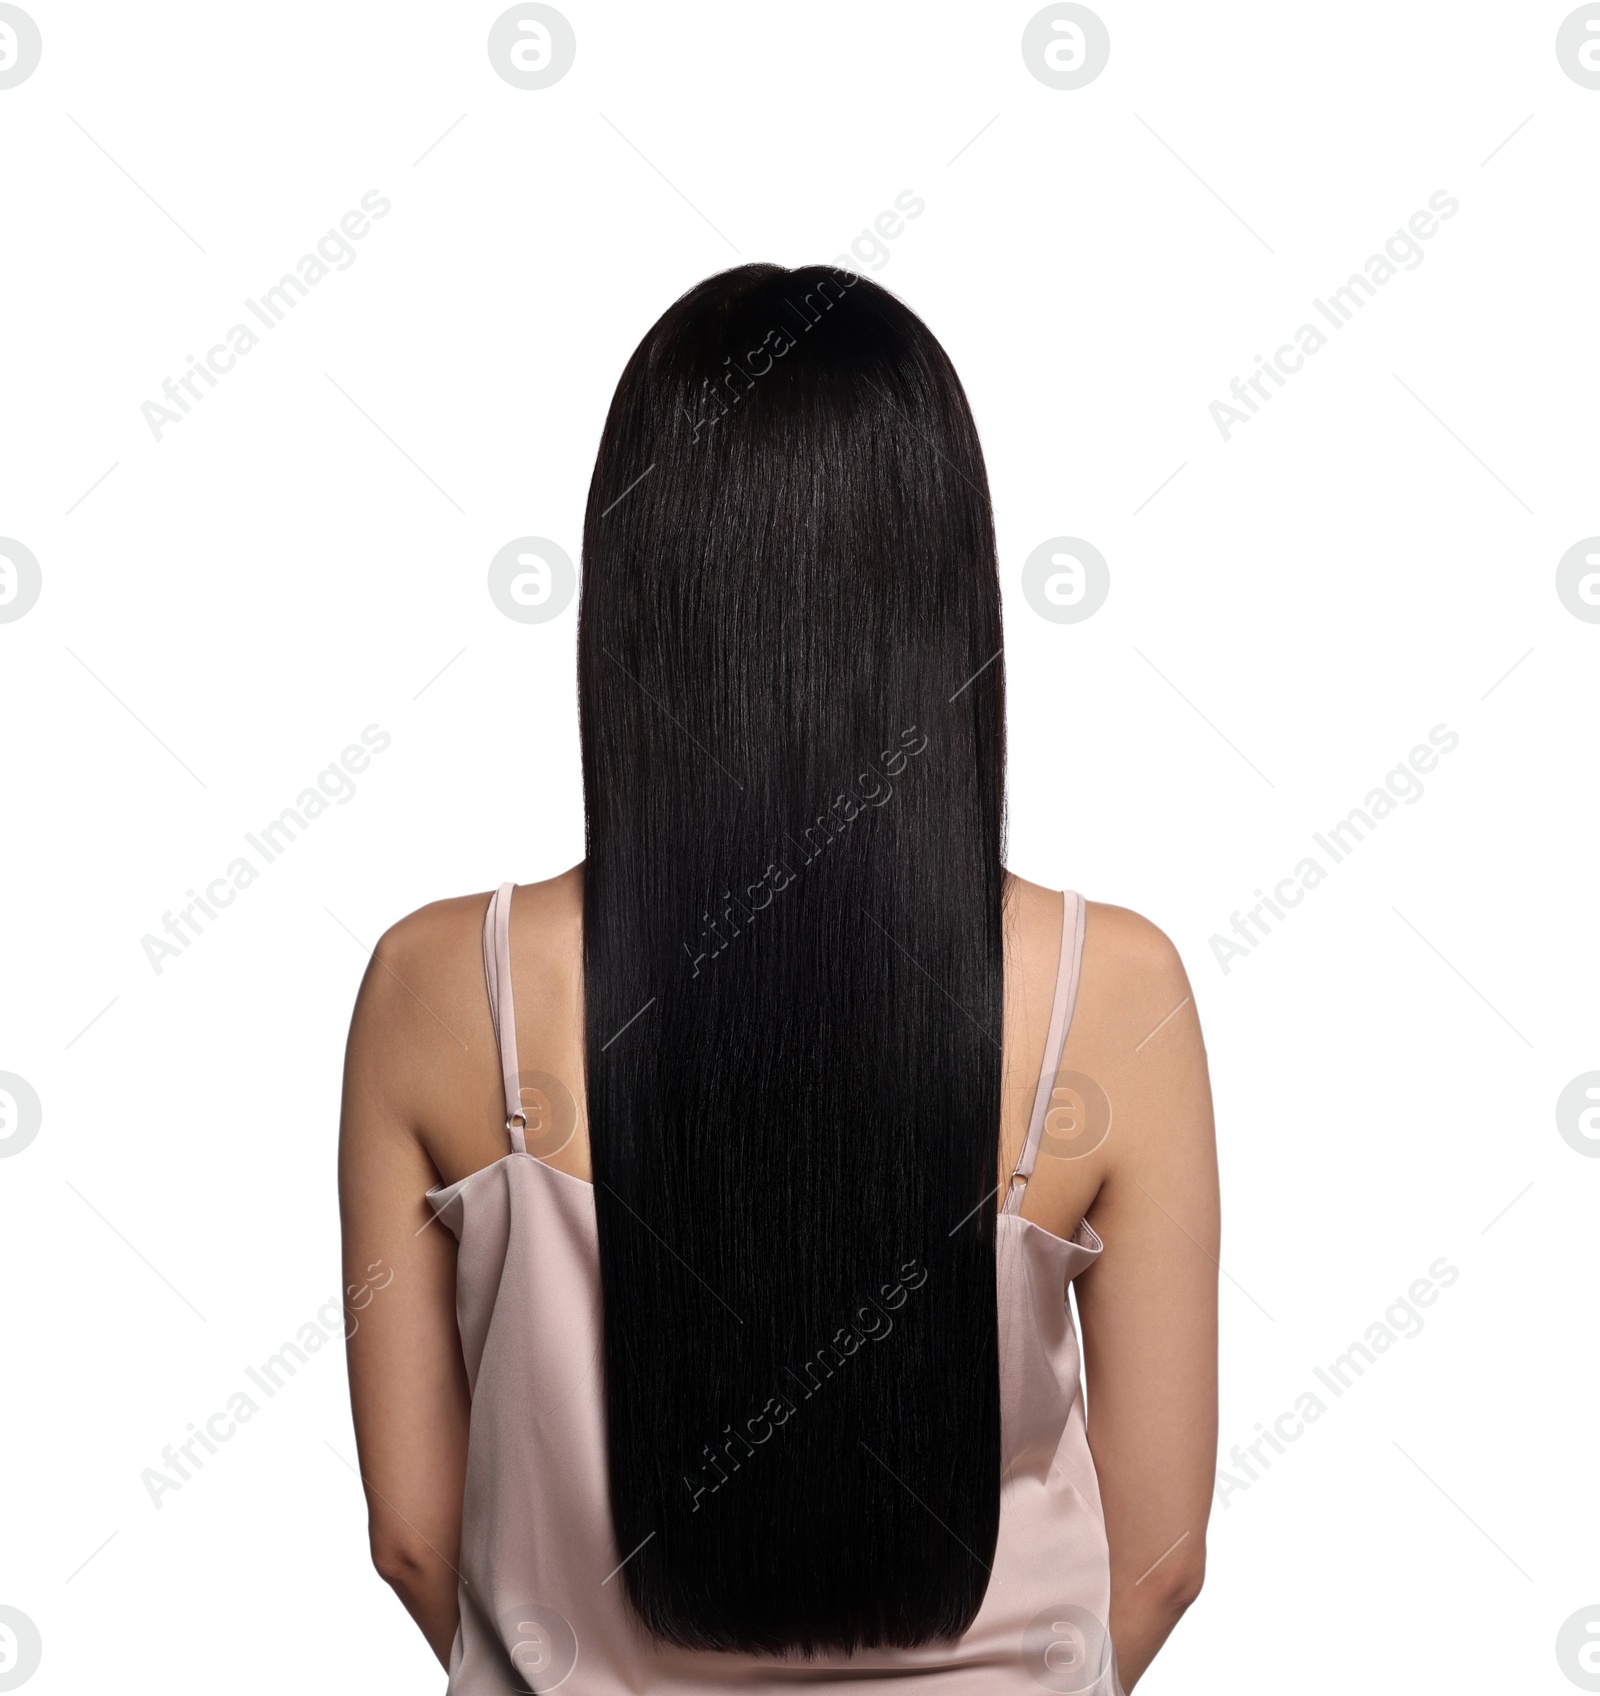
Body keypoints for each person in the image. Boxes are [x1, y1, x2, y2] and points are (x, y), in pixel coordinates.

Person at [339, 264, 1218, 1693]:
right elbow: (1164, 1556)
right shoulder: (1111, 992)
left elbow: (414, 1542)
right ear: (948, 593)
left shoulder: (442, 986)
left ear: (633, 590)